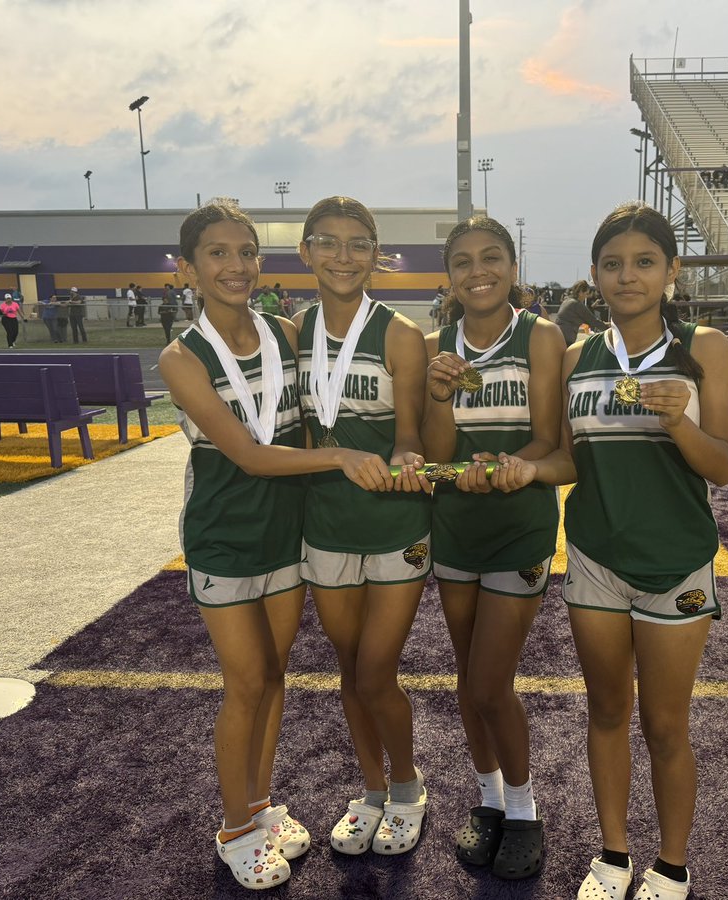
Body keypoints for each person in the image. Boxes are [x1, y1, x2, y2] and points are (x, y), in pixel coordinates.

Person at [493, 201, 728, 900]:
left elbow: (721, 465)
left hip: (675, 564)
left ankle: (672, 865)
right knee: (604, 713)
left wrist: (678, 424)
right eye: (612, 264)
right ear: (594, 275)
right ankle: (612, 855)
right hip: (596, 560)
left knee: (665, 724)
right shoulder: (578, 357)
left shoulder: (704, 346)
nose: (627, 277)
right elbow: (569, 460)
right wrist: (526, 470)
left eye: (644, 262)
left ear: (671, 270)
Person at [159, 199, 393, 891]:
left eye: (247, 252)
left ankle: (260, 806)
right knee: (246, 683)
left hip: (287, 537)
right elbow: (252, 456)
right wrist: (341, 459)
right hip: (225, 540)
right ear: (188, 269)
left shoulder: (286, 333)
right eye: (218, 254)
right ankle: (235, 828)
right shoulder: (181, 358)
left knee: (276, 676)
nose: (236, 266)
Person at [421, 216, 564, 880]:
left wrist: (510, 463)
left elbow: (548, 440)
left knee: (489, 682)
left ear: (512, 265)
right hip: (455, 528)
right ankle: (488, 802)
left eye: (492, 257)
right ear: (448, 274)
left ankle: (526, 809)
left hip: (519, 530)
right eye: (463, 261)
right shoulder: (435, 347)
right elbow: (434, 458)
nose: (478, 270)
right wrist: (441, 392)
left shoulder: (541, 335)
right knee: (465, 677)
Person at [291, 196, 434, 859]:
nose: (344, 257)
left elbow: (410, 438)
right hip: (325, 525)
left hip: (395, 525)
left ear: (377, 254)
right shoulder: (295, 332)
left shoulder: (400, 333)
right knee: (349, 672)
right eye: (329, 242)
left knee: (377, 672)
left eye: (358, 244)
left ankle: (408, 787)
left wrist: (408, 461)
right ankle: (371, 790)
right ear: (305, 252)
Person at [556, 280, 609, 346]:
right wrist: (609, 329)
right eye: (586, 294)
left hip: (558, 336)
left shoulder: (567, 301)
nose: (586, 297)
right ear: (581, 292)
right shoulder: (576, 304)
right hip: (566, 339)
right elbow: (592, 320)